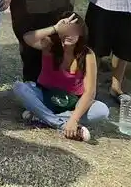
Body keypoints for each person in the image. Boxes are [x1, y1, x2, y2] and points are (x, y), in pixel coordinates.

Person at [12, 13, 109, 141]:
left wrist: (74, 119)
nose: (69, 34)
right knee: (19, 87)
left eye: (74, 30)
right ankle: (61, 124)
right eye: (66, 29)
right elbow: (27, 38)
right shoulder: (50, 45)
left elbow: (90, 93)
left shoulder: (87, 54)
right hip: (46, 96)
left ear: (81, 33)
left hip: (72, 102)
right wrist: (55, 28)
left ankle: (41, 116)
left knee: (102, 111)